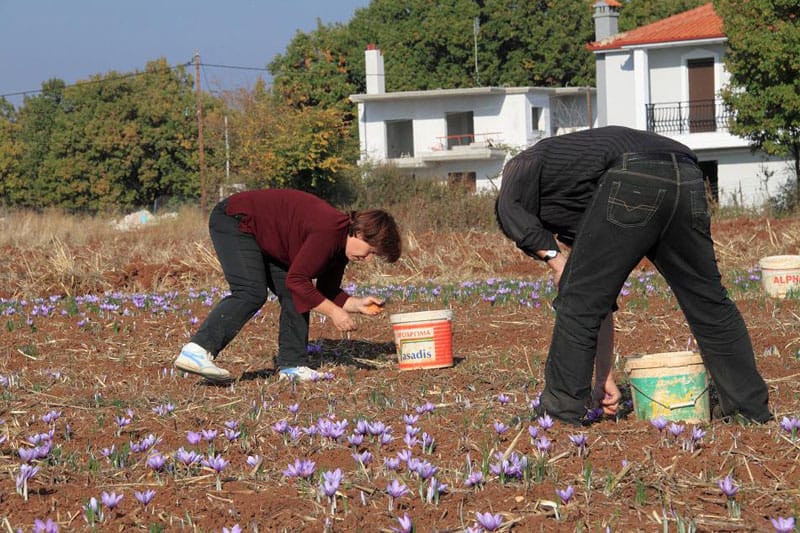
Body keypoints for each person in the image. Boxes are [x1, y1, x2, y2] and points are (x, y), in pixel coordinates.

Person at [495, 125, 772, 426]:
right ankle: (748, 409)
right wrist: (603, 377)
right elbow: (599, 301)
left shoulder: (523, 164)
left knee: (575, 302)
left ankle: (559, 414)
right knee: (709, 301)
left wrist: (554, 259)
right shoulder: (583, 200)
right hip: (687, 173)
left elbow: (509, 209)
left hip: (634, 171)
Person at [174, 189, 402, 383]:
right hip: (235, 219)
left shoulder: (340, 250)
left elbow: (325, 291)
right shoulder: (329, 230)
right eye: (371, 251)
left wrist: (357, 304)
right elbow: (298, 280)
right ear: (360, 233)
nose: (369, 259)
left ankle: (292, 366)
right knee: (251, 292)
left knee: (294, 294)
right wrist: (334, 312)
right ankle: (197, 351)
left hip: (263, 236)